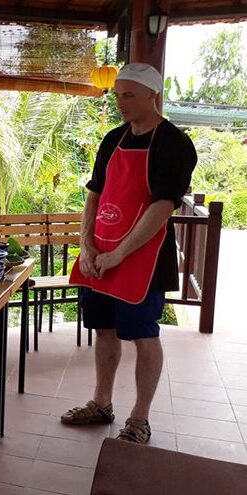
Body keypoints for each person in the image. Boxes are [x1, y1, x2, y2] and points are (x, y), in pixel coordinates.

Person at [65, 63, 197, 444]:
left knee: (143, 336)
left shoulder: (174, 143)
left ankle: (139, 419)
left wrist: (121, 253)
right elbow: (95, 195)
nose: (120, 102)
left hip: (143, 257)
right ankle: (101, 403)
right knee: (104, 331)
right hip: (101, 252)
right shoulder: (113, 139)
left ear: (152, 96)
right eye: (117, 94)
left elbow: (162, 206)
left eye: (129, 95)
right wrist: (87, 244)